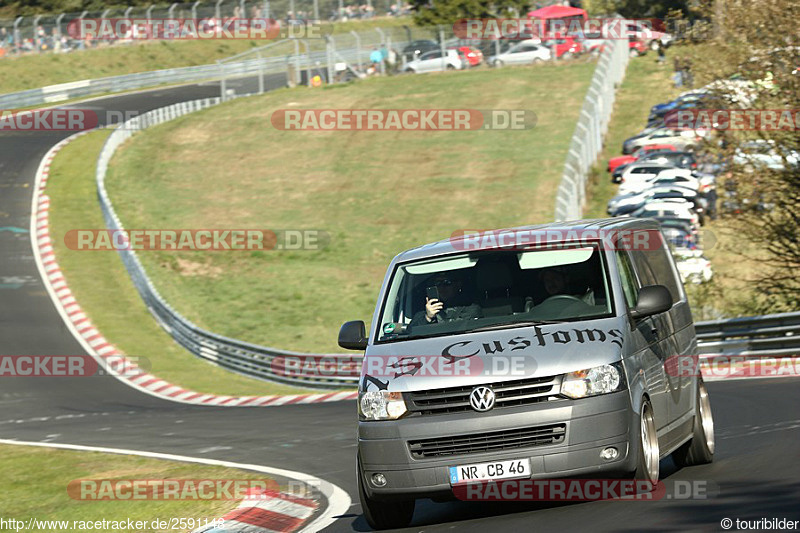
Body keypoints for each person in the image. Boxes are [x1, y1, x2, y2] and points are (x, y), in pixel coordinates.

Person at [410, 273, 482, 326]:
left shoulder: (470, 308)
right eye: (438, 283)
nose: (442, 287)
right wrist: (428, 318)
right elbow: (410, 334)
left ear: (458, 285)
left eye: (447, 283)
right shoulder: (422, 313)